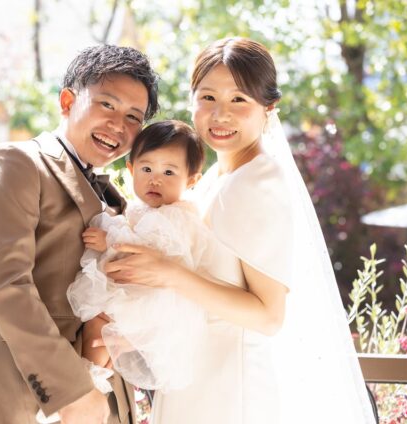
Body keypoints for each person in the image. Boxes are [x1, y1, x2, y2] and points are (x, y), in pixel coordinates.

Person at [105, 37, 376, 423]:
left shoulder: (258, 182)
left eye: (238, 100)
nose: (220, 115)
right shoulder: (216, 176)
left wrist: (168, 273)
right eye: (208, 97)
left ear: (268, 108)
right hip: (199, 376)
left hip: (231, 387)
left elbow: (268, 315)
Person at [0, 45, 159, 424]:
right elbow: (5, 287)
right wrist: (74, 393)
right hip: (31, 400)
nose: (118, 125)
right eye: (107, 105)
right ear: (67, 101)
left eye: (133, 117)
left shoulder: (115, 196)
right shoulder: (16, 163)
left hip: (107, 401)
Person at [68, 120, 220, 392]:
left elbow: (152, 253)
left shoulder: (177, 216)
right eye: (146, 169)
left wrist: (110, 240)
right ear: (131, 169)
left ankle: (86, 386)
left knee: (99, 324)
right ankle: (91, 381)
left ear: (191, 180)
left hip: (157, 303)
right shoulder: (145, 210)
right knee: (101, 328)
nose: (155, 179)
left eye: (169, 172)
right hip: (139, 293)